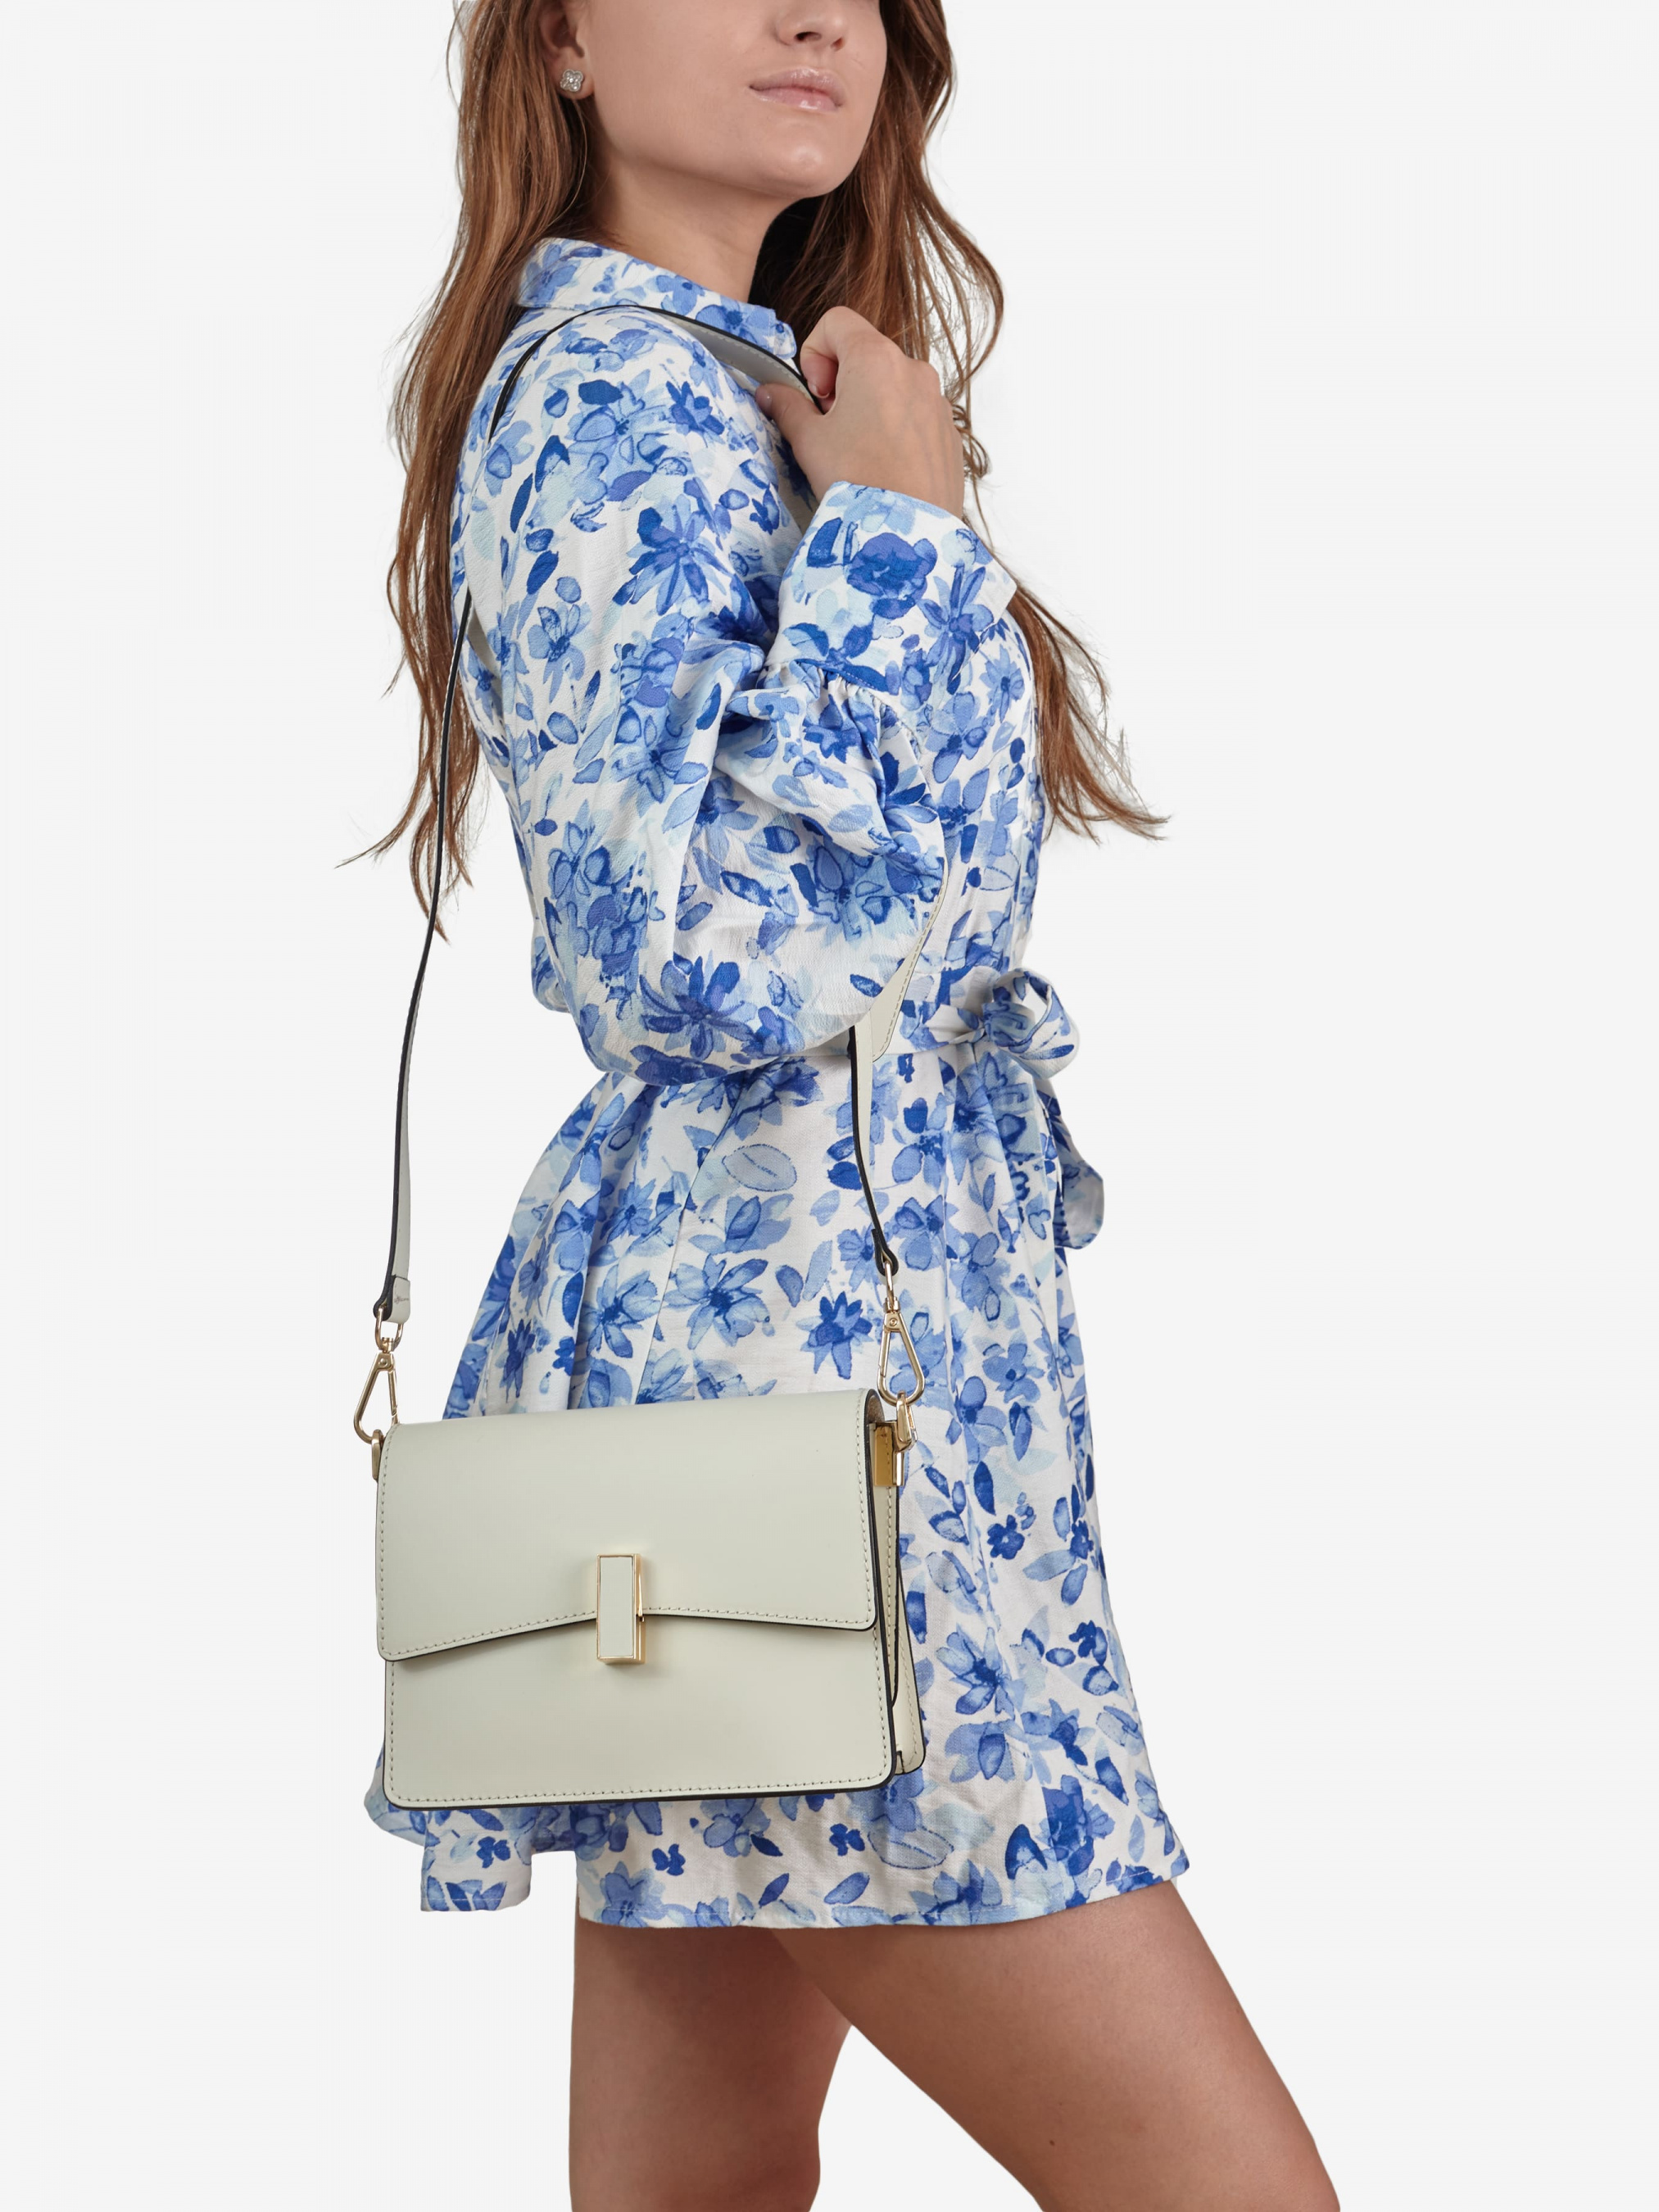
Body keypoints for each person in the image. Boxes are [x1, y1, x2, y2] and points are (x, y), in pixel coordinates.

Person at [364, 5, 1339, 2206]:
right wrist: (899, 528)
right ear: (563, 40)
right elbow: (690, 950)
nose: (816, 14)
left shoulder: (744, 389)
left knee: (703, 2180)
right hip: (798, 1435)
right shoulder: (616, 406)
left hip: (819, 1408)